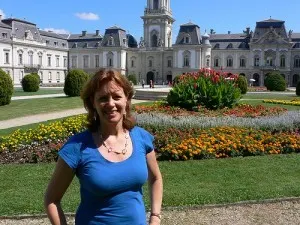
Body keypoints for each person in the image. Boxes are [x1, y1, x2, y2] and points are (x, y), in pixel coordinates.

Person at [44, 68, 163, 225]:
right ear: (93, 102)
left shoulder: (141, 137)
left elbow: (155, 178)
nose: (111, 104)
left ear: (127, 99)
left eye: (116, 97)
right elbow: (51, 200)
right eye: (103, 98)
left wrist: (155, 216)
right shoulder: (77, 147)